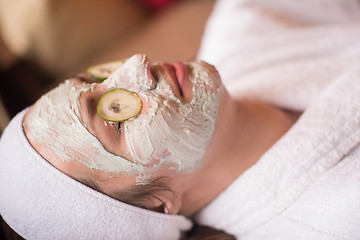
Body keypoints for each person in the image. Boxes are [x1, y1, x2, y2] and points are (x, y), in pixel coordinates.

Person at [1, 0, 360, 240]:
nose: (135, 64)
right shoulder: (333, 222)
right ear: (159, 204)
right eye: (116, 117)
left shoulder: (242, 24)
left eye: (96, 79)